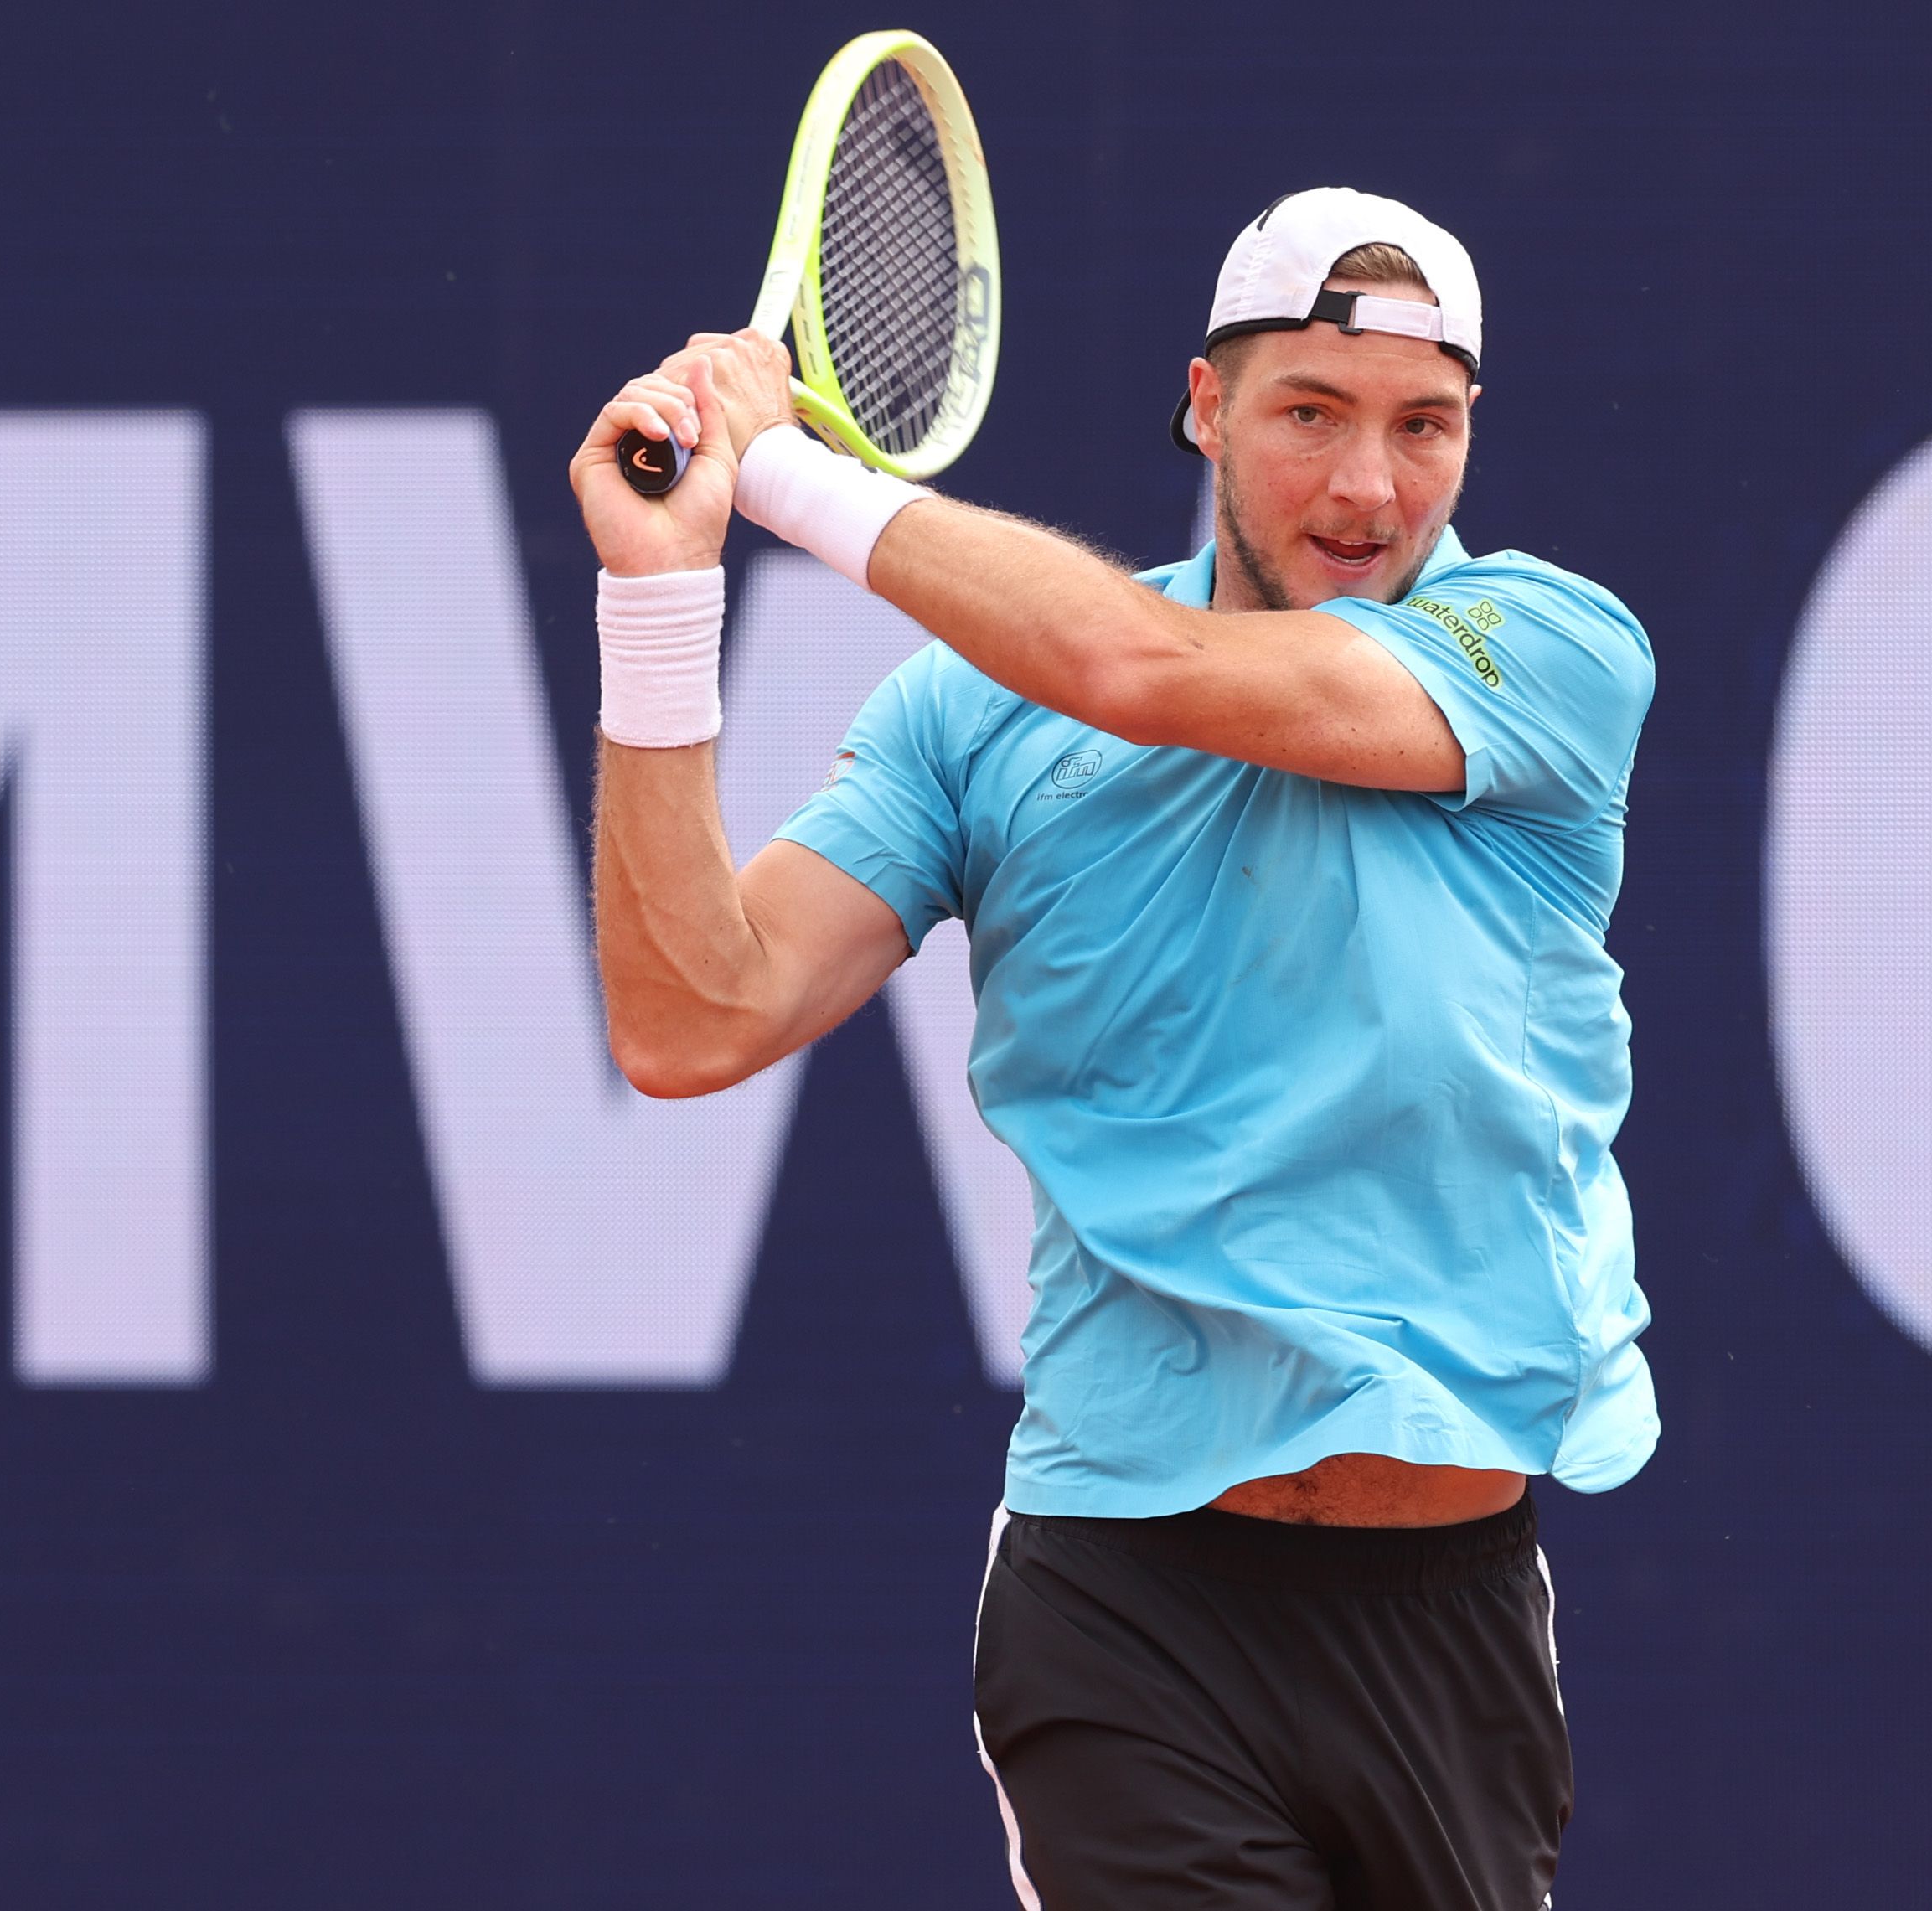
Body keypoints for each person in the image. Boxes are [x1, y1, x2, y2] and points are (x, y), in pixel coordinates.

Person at [570, 185, 1653, 1911]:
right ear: (1205, 406)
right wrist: (657, 598)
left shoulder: (1549, 649)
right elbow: (691, 1015)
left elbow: (1133, 668)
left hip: (1451, 1612)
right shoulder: (961, 715)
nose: (1368, 487)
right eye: (1309, 413)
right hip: (1127, 1608)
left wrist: (779, 473)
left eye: (1422, 425)